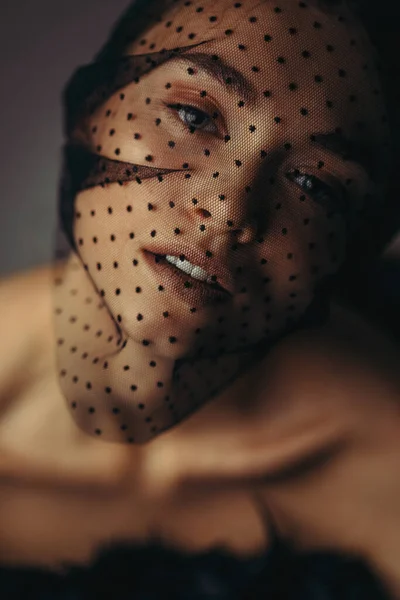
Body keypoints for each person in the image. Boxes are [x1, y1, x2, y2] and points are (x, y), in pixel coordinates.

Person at [0, 0, 400, 597]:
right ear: (92, 109)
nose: (229, 211)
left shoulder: (378, 465)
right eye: (192, 116)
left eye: (315, 184)